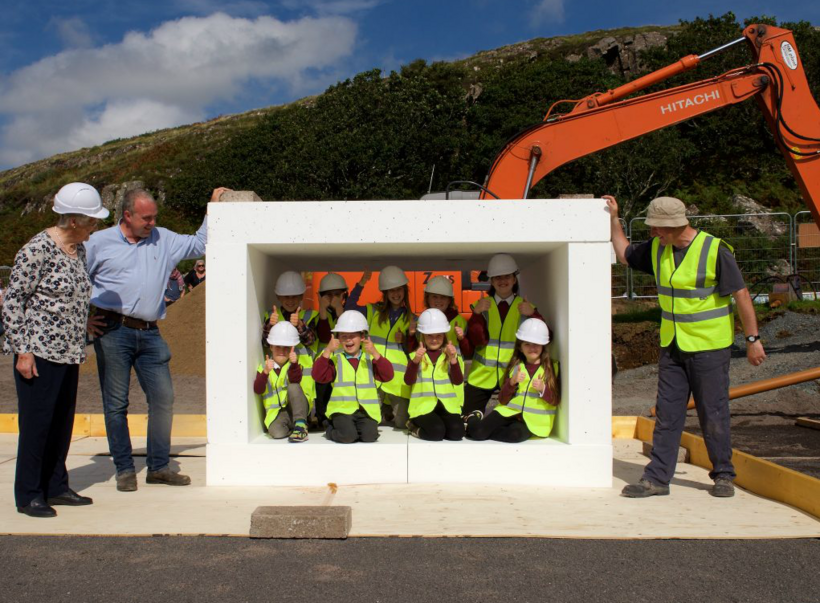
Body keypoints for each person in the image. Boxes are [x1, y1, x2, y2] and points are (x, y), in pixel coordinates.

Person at [607, 195, 766, 498]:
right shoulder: (658, 248)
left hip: (709, 346)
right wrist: (614, 219)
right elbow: (625, 253)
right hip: (673, 345)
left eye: (658, 229)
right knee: (667, 414)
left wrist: (752, 340)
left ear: (676, 225)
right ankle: (656, 479)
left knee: (713, 412)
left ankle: (723, 475)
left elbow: (741, 295)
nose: (654, 234)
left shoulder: (714, 250)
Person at [86, 186, 230, 492]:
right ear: (127, 215)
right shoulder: (99, 243)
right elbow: (76, 279)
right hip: (112, 330)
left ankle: (159, 467)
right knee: (116, 404)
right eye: (146, 218)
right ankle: (125, 469)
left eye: (154, 217)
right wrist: (84, 319)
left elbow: (200, 243)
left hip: (150, 332)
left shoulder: (163, 238)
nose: (151, 223)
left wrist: (211, 209)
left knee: (163, 399)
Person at [2, 182, 108, 517]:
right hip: (38, 353)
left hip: (69, 351)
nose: (96, 226)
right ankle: (29, 494)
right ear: (74, 220)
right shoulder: (37, 250)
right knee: (37, 424)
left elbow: (72, 297)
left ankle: (57, 485)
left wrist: (83, 324)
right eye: (92, 221)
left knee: (61, 423)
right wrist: (23, 350)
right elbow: (13, 302)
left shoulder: (80, 250)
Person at [462, 254, 543, 416]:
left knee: (512, 421)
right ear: (491, 281)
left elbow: (546, 337)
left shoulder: (526, 307)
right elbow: (477, 341)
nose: (502, 281)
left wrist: (533, 314)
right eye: (497, 277)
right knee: (467, 421)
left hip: (513, 375)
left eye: (507, 276)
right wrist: (477, 314)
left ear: (514, 279)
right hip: (482, 375)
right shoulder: (482, 306)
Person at [465, 318, 559, 442]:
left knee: (514, 435)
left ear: (543, 345)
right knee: (478, 433)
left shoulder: (552, 368)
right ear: (520, 347)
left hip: (532, 421)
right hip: (508, 411)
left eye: (536, 344)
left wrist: (543, 389)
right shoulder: (516, 366)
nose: (532, 348)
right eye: (527, 344)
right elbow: (502, 399)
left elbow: (555, 400)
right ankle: (471, 418)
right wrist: (511, 383)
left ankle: (478, 429)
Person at [345, 267, 414, 428]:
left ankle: (388, 409)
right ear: (385, 293)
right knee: (370, 423)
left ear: (404, 291)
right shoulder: (372, 311)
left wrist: (406, 339)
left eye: (398, 290)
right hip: (373, 376)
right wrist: (361, 284)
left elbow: (414, 351)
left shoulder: (412, 318)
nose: (395, 294)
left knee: (401, 424)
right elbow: (349, 309)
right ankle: (385, 409)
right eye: (391, 291)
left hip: (398, 380)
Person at [312, 310, 394, 443]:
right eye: (344, 336)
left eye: (352, 335)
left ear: (362, 336)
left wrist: (375, 353)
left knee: (370, 437)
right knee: (348, 436)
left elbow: (388, 375)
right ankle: (329, 428)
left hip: (366, 411)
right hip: (342, 411)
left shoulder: (369, 359)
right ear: (338, 339)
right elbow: (318, 376)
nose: (348, 339)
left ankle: (355, 429)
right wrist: (327, 350)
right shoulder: (335, 360)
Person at [405, 309, 465, 441]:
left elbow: (458, 381)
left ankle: (441, 425)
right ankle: (413, 426)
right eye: (429, 336)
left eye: (438, 336)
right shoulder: (415, 356)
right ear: (423, 336)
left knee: (458, 433)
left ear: (444, 336)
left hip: (446, 405)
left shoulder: (450, 355)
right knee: (436, 433)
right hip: (423, 407)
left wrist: (453, 359)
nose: (434, 340)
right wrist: (415, 361)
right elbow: (408, 381)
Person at [253, 322, 311, 442]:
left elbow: (295, 380)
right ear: (271, 347)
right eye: (278, 346)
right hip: (277, 413)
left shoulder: (293, 365)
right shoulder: (263, 368)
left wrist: (294, 364)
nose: (281, 351)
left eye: (286, 348)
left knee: (293, 387)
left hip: (295, 409)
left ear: (291, 349)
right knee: (277, 433)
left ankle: (300, 426)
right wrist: (265, 373)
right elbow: (258, 389)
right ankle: (294, 429)